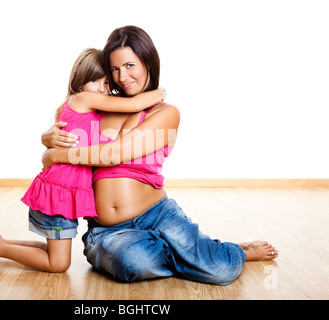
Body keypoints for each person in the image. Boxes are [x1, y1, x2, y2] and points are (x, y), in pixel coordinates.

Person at [41, 26, 278, 284]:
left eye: (130, 65)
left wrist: (55, 155)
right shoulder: (102, 103)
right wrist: (47, 139)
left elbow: (114, 154)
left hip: (158, 214)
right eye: (115, 69)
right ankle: (197, 253)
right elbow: (68, 129)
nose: (122, 76)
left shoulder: (166, 113)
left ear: (148, 63)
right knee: (132, 262)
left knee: (222, 272)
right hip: (108, 230)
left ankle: (222, 252)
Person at [0, 48, 166, 272]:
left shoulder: (94, 106)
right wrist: (160, 92)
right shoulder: (84, 98)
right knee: (58, 264)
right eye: (95, 80)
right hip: (59, 192)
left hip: (66, 193)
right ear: (80, 81)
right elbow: (133, 105)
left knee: (55, 251)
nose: (102, 88)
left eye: (107, 83)